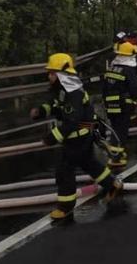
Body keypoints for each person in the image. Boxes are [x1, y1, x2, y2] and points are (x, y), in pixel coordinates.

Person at [31, 53, 122, 220]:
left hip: (77, 138)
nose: (49, 76)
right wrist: (41, 111)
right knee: (89, 163)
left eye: (52, 73)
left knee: (64, 170)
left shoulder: (73, 93)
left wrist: (51, 137)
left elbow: (72, 122)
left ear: (61, 74)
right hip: (80, 137)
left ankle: (65, 208)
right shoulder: (63, 89)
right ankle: (112, 184)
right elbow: (55, 106)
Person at [103, 42, 137, 168]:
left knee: (115, 129)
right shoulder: (128, 70)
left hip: (110, 106)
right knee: (121, 132)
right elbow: (134, 88)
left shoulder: (112, 68)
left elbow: (104, 88)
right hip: (122, 106)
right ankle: (115, 159)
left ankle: (116, 154)